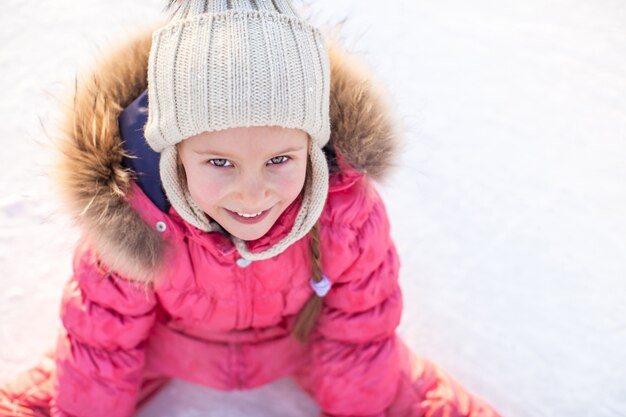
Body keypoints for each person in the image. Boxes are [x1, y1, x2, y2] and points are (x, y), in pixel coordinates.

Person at [0, 1, 502, 416]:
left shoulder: (343, 208)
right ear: (172, 153)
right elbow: (101, 344)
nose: (253, 194)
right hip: (165, 346)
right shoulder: (136, 217)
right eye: (220, 162)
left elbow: (360, 327)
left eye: (280, 159)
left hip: (302, 340)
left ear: (312, 145)